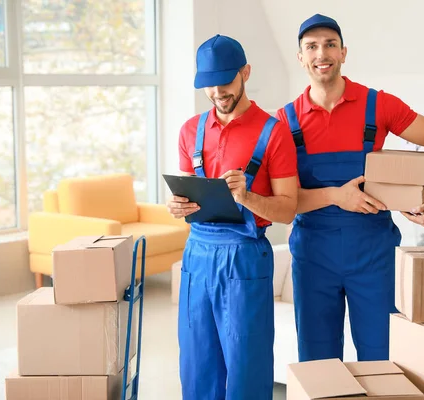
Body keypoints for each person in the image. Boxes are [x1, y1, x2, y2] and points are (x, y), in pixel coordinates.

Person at [275, 14, 424, 363]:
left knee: (382, 357)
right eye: (311, 47)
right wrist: (334, 195)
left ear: (344, 52)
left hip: (373, 253)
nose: (321, 53)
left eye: (330, 44)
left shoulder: (378, 106)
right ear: (300, 58)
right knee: (318, 361)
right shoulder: (285, 121)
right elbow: (281, 202)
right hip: (314, 256)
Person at [167, 34, 298, 400]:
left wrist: (247, 195)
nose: (217, 91)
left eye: (225, 81)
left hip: (244, 259)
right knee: (197, 364)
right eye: (208, 84)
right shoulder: (190, 131)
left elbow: (288, 209)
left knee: (246, 365)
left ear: (246, 73)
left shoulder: (274, 133)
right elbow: (188, 195)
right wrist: (177, 207)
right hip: (197, 256)